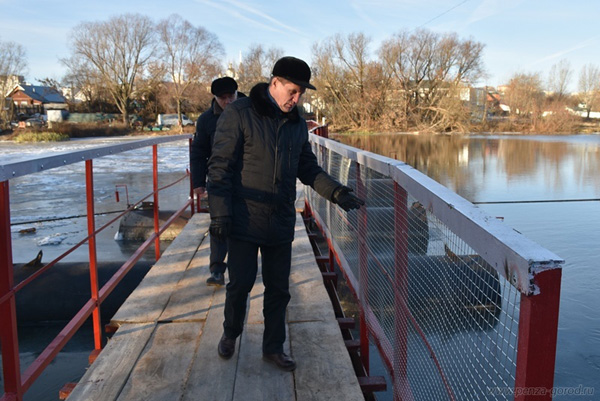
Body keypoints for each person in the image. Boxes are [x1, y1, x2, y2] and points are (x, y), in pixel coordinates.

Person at [207, 56, 364, 371]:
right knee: (240, 283)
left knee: (279, 288)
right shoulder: (239, 114)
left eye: (301, 93)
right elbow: (219, 168)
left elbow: (306, 166)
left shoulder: (296, 122)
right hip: (243, 217)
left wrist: (336, 192)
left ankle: (273, 347)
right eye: (292, 91)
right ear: (274, 83)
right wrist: (220, 216)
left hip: (280, 218)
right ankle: (230, 332)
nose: (297, 99)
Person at [190, 76, 242, 286]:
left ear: (237, 93)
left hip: (247, 178)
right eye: (223, 98)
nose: (228, 102)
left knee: (244, 224)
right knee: (218, 223)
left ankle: (240, 268)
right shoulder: (206, 120)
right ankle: (217, 270)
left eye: (232, 97)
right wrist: (198, 181)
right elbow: (199, 152)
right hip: (218, 179)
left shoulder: (250, 110)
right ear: (215, 97)